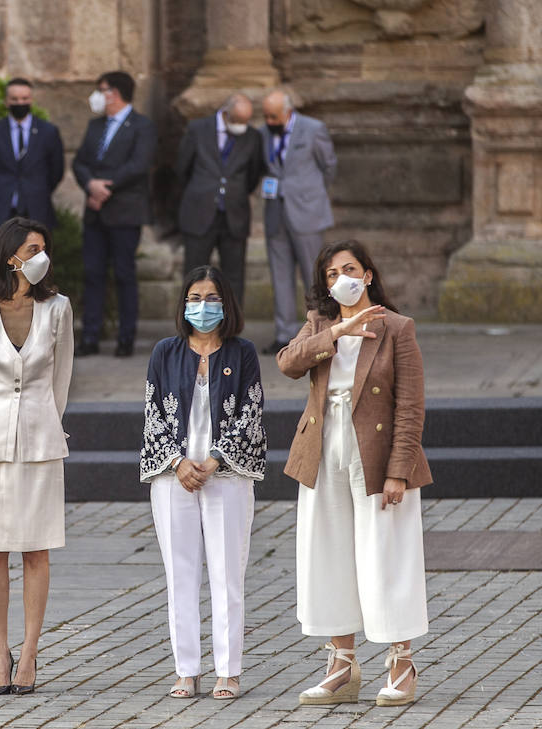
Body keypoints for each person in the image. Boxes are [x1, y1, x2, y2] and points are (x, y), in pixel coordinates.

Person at [275, 239, 430, 707]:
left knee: (385, 553)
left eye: (348, 269)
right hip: (324, 449)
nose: (339, 278)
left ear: (367, 274)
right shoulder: (322, 325)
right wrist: (338, 333)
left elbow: (411, 405)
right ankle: (342, 665)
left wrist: (399, 471)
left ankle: (402, 662)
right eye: (329, 274)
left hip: (377, 452)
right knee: (328, 552)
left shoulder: (397, 328)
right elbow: (287, 362)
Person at [0, 217, 74, 696]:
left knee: (38, 549)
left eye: (44, 247)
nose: (41, 255)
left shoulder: (58, 308)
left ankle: (29, 653)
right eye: (32, 247)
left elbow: (61, 379)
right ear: (10, 256)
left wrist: (44, 422)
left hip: (42, 442)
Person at [140, 265, 267, 701]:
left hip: (226, 475)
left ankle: (228, 670)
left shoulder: (242, 352)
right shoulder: (164, 352)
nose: (202, 306)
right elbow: (153, 413)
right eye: (194, 298)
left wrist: (213, 460)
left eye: (212, 298)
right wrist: (177, 462)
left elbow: (251, 413)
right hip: (173, 475)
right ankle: (186, 670)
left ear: (226, 303)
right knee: (181, 573)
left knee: (228, 571)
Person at [71, 70, 155, 358]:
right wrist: (90, 185)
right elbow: (80, 162)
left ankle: (125, 338)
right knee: (93, 274)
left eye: (102, 89)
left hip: (124, 212)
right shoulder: (96, 126)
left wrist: (106, 188)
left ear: (114, 93)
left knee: (124, 274)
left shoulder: (142, 126)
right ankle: (90, 336)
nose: (97, 95)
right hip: (95, 213)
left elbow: (138, 164)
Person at [260, 90, 337, 354]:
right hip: (275, 212)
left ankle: (320, 332)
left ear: (288, 112)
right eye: (266, 116)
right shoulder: (263, 133)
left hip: (307, 212)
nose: (269, 121)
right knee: (280, 276)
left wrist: (310, 195)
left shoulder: (314, 129)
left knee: (313, 275)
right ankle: (284, 334)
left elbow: (329, 167)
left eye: (274, 116)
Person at [175, 93, 266, 307]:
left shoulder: (253, 137)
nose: (241, 126)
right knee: (195, 275)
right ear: (225, 114)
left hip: (234, 216)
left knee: (233, 278)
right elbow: (182, 169)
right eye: (238, 121)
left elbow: (253, 175)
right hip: (199, 214)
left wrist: (233, 193)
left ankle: (231, 331)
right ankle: (192, 328)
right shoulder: (198, 129)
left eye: (245, 121)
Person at [0, 78, 65, 247]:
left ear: (31, 100)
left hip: (37, 211)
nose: (20, 103)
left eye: (25, 99)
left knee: (36, 267)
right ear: (6, 101)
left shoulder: (48, 132)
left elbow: (56, 170)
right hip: (1, 211)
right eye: (15, 99)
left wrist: (36, 189)